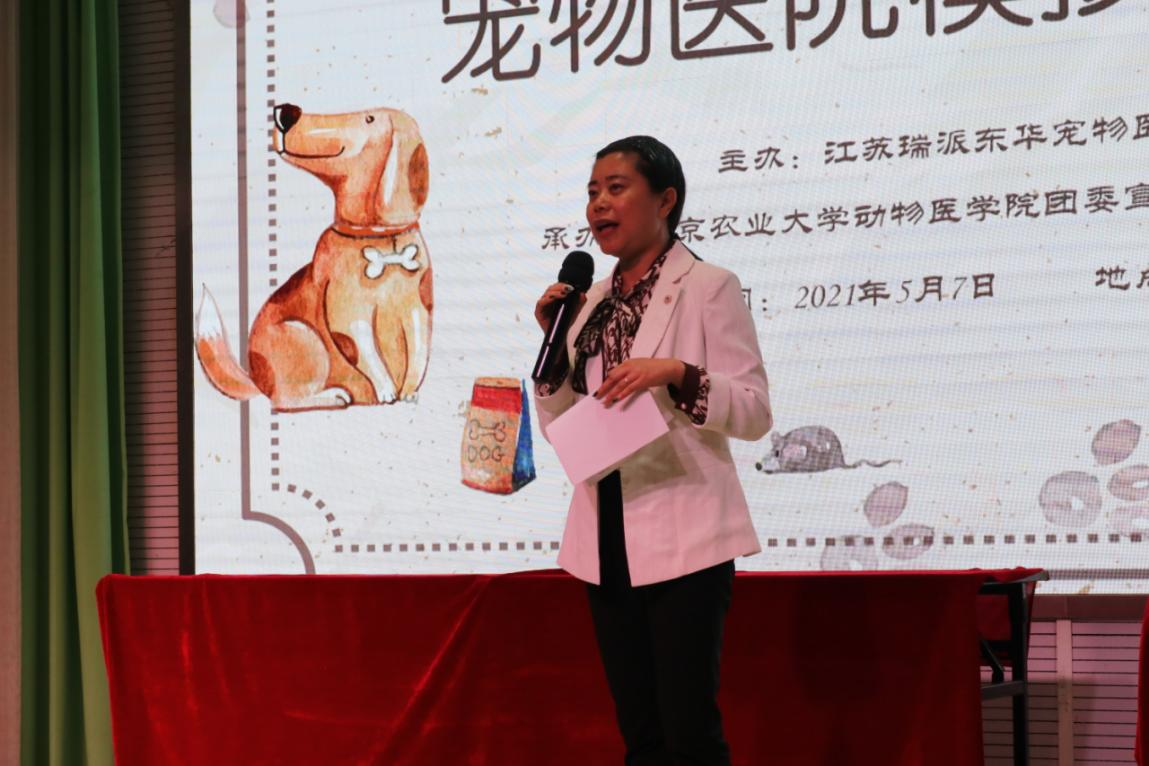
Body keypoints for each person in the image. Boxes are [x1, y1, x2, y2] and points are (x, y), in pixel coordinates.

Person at [532, 135, 772, 766]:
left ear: (666, 200)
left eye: (616, 189)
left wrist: (676, 373)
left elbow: (754, 410)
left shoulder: (709, 287)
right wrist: (553, 349)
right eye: (592, 192)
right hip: (604, 532)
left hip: (685, 530)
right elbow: (564, 424)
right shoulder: (587, 303)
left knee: (689, 733)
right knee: (641, 736)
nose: (598, 205)